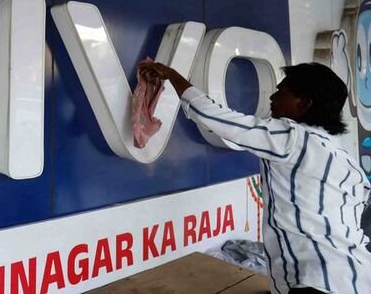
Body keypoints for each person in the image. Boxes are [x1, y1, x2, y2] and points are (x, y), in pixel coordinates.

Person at [139, 61, 371, 294]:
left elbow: (213, 116)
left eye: (282, 92)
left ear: (304, 104)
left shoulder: (291, 137)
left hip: (319, 281)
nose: (272, 97)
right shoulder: (344, 159)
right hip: (357, 278)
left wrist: (170, 73)